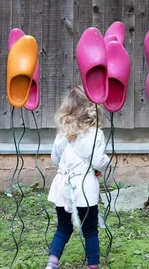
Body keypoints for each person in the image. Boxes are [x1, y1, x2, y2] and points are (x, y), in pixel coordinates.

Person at [45, 85, 110, 269]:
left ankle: (52, 263)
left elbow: (55, 159)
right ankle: (93, 266)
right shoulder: (95, 134)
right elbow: (98, 161)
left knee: (63, 229)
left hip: (63, 187)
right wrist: (106, 163)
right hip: (84, 188)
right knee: (90, 231)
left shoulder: (63, 133)